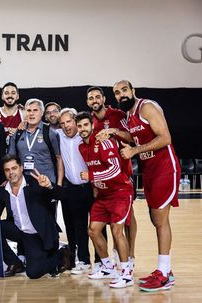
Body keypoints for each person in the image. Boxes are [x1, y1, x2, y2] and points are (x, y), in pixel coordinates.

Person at [112, 80, 179, 292]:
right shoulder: (129, 116)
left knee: (160, 219)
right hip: (149, 171)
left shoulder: (146, 106)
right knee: (155, 218)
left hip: (164, 168)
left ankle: (165, 273)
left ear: (133, 91)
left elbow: (165, 137)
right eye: (116, 93)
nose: (121, 95)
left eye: (124, 90)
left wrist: (134, 151)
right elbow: (133, 137)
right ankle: (164, 269)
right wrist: (114, 131)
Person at [0, 155, 70, 279]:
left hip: (39, 235)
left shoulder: (35, 183)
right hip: (20, 233)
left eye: (14, 168)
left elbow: (63, 195)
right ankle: (15, 263)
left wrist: (49, 186)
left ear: (21, 168)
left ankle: (62, 254)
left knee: (33, 273)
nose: (11, 172)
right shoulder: (3, 190)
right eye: (7, 170)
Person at [76, 111, 134, 289]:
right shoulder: (81, 147)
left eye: (86, 125)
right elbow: (97, 168)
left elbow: (115, 169)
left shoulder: (103, 141)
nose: (83, 129)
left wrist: (91, 176)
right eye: (80, 126)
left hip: (120, 192)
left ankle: (126, 273)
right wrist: (95, 186)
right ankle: (108, 267)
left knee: (117, 231)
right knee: (93, 230)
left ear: (92, 126)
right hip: (102, 195)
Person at [87, 86, 137, 273]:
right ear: (87, 102)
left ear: (103, 98)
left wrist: (114, 131)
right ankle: (111, 260)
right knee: (107, 221)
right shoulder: (89, 121)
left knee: (128, 218)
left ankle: (130, 256)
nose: (94, 100)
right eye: (91, 98)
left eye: (97, 97)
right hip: (102, 179)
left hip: (122, 175)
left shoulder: (117, 115)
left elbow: (132, 137)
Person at [57, 108, 93, 274]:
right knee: (78, 227)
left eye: (69, 122)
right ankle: (83, 261)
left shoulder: (86, 136)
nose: (66, 126)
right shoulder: (58, 136)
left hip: (92, 187)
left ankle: (103, 261)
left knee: (96, 226)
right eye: (62, 123)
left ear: (75, 122)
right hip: (72, 188)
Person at [8, 99, 64, 185]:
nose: (31, 113)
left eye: (35, 110)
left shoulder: (50, 133)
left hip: (48, 182)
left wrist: (59, 184)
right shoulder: (17, 133)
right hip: (25, 183)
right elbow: (11, 160)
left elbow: (59, 159)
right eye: (29, 110)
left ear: (42, 113)